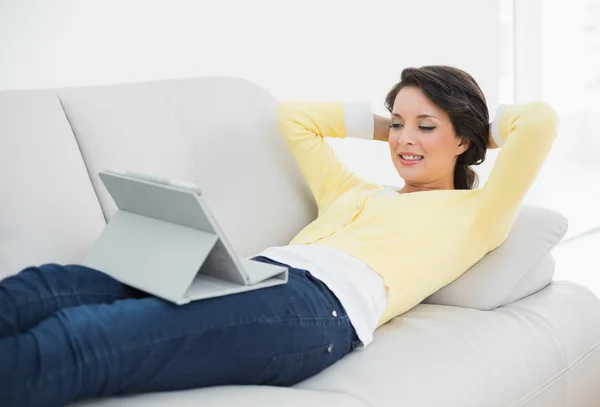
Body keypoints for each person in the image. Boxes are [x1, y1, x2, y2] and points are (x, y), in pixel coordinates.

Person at [0, 66, 558, 407]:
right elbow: (295, 118)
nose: (403, 139)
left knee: (84, 338)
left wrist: (474, 122)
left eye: (426, 126)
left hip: (312, 308)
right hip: (245, 272)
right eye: (397, 123)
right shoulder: (354, 191)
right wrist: (391, 121)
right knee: (47, 288)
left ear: (464, 140)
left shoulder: (478, 212)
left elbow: (540, 122)